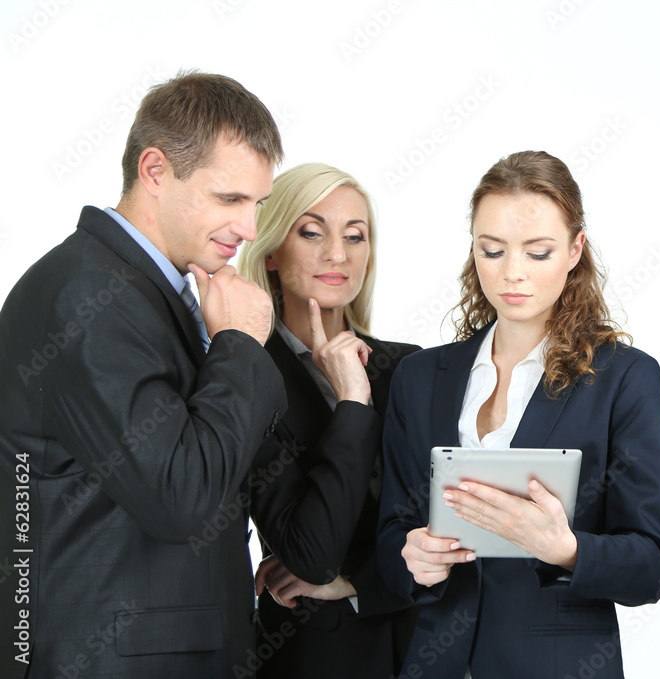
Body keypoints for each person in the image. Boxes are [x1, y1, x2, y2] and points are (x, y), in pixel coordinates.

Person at [0, 72, 286, 677]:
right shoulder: (89, 295)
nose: (250, 229)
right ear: (155, 171)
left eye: (257, 204)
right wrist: (235, 344)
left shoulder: (144, 288)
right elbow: (180, 497)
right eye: (230, 199)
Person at [376, 150, 660, 679]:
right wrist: (411, 557)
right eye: (492, 250)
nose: (512, 273)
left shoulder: (625, 378)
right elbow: (391, 532)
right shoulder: (420, 377)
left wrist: (565, 549)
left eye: (538, 253)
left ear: (575, 249)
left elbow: (652, 565)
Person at [236, 162, 420, 678]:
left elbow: (455, 522)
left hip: (423, 646)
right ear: (271, 251)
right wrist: (353, 403)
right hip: (313, 656)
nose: (337, 253)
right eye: (311, 232)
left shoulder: (411, 369)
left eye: (355, 236)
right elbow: (311, 553)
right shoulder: (246, 378)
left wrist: (360, 580)